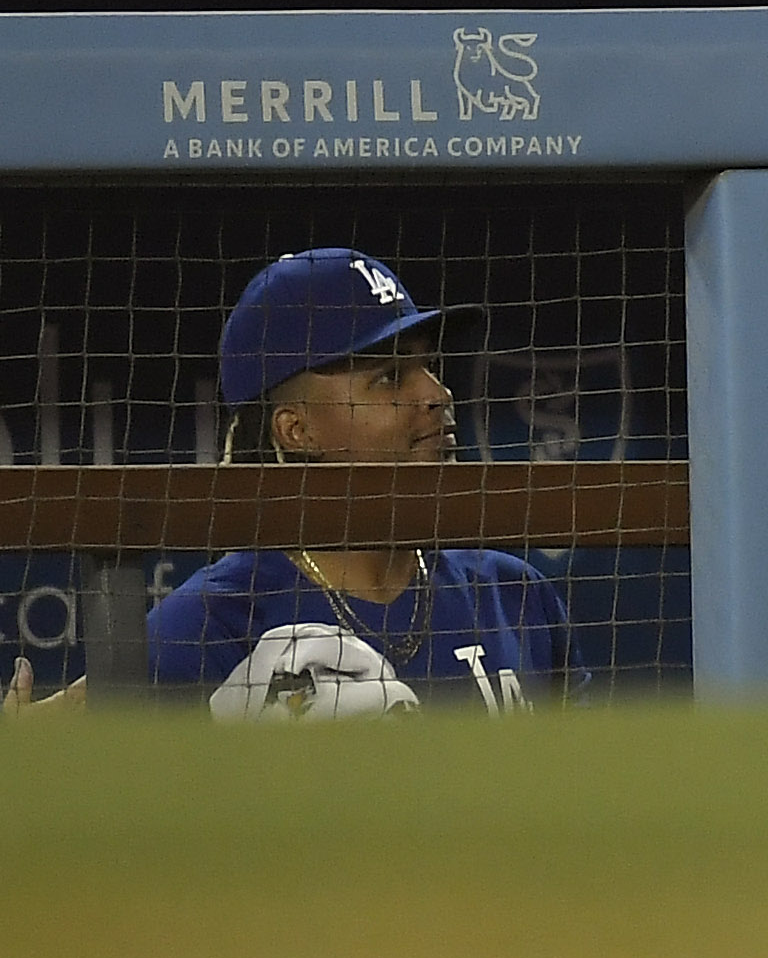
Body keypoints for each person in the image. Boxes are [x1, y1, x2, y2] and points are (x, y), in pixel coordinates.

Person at [145, 248, 559, 716]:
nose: (438, 395)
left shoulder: (515, 595)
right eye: (389, 377)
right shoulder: (201, 630)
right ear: (297, 430)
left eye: (430, 367)